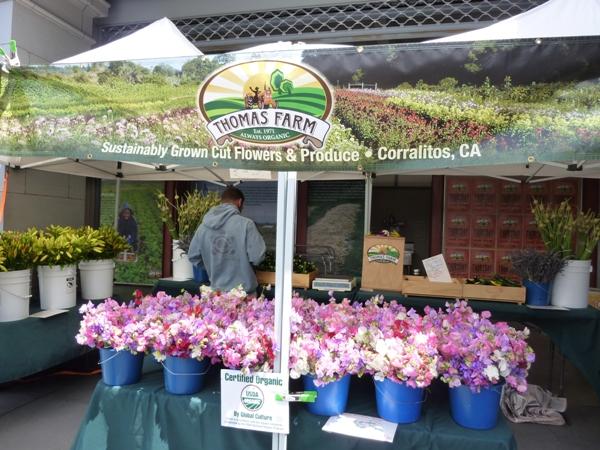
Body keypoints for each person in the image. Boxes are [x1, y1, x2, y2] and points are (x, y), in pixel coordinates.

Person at [188, 186, 266, 294]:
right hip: (244, 295)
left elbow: (193, 256)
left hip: (217, 294)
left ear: (222, 202)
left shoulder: (203, 227)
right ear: (240, 202)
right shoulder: (246, 224)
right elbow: (258, 257)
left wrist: (213, 266)